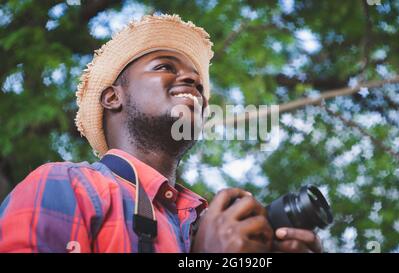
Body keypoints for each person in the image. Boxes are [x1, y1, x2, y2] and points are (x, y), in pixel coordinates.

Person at [0, 14, 321, 253]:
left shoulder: (212, 222)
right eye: (165, 66)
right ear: (113, 97)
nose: (193, 82)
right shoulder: (67, 186)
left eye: (198, 82)